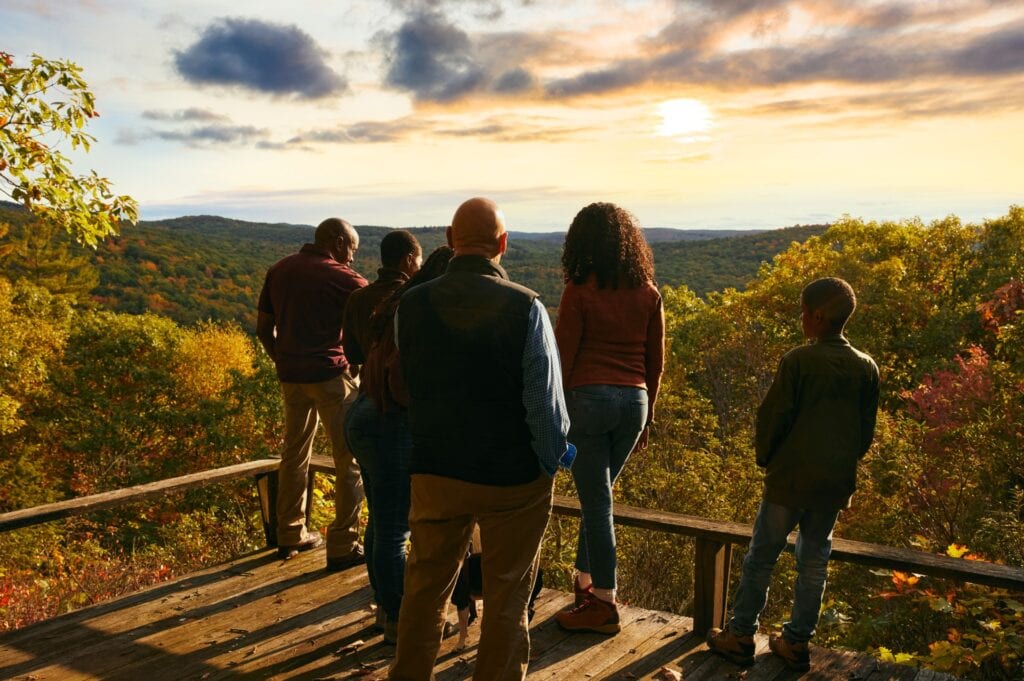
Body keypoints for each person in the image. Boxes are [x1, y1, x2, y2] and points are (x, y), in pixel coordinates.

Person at [388, 197, 570, 681]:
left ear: (449, 242)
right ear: (503, 245)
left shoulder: (410, 306)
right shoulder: (526, 307)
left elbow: (412, 384)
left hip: (435, 470)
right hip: (511, 480)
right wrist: (550, 463)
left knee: (424, 592)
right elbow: (545, 409)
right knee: (508, 596)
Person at [706, 277, 880, 671]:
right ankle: (796, 642)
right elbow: (864, 431)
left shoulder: (799, 361)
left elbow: (773, 416)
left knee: (761, 558)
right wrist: (842, 465)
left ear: (817, 317)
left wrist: (766, 458)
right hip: (833, 485)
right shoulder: (866, 367)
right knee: (814, 561)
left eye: (803, 313)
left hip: (789, 480)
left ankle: (740, 635)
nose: (801, 320)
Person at [552, 202, 664, 635]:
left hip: (588, 401)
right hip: (634, 403)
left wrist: (555, 415)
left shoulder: (579, 291)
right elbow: (655, 361)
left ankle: (605, 603)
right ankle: (585, 587)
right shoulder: (649, 293)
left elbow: (562, 360)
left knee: (598, 505)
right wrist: (648, 415)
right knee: (599, 500)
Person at [345, 245, 453, 644]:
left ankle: (384, 609)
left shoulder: (395, 304)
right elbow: (409, 384)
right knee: (395, 529)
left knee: (381, 520)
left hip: (362, 415)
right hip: (391, 421)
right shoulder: (425, 313)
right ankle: (399, 620)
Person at [256, 217, 368, 570]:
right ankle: (344, 543)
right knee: (349, 460)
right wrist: (358, 364)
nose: (351, 258)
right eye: (350, 248)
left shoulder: (280, 269)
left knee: (294, 453)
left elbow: (263, 329)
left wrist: (282, 361)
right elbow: (373, 319)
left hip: (291, 378)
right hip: (331, 377)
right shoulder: (344, 278)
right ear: (337, 242)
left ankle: (289, 533)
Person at [342, 230, 422, 370]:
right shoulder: (415, 297)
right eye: (419, 263)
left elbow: (353, 356)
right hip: (404, 388)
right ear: (409, 259)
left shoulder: (357, 298)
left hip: (371, 386)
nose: (419, 269)